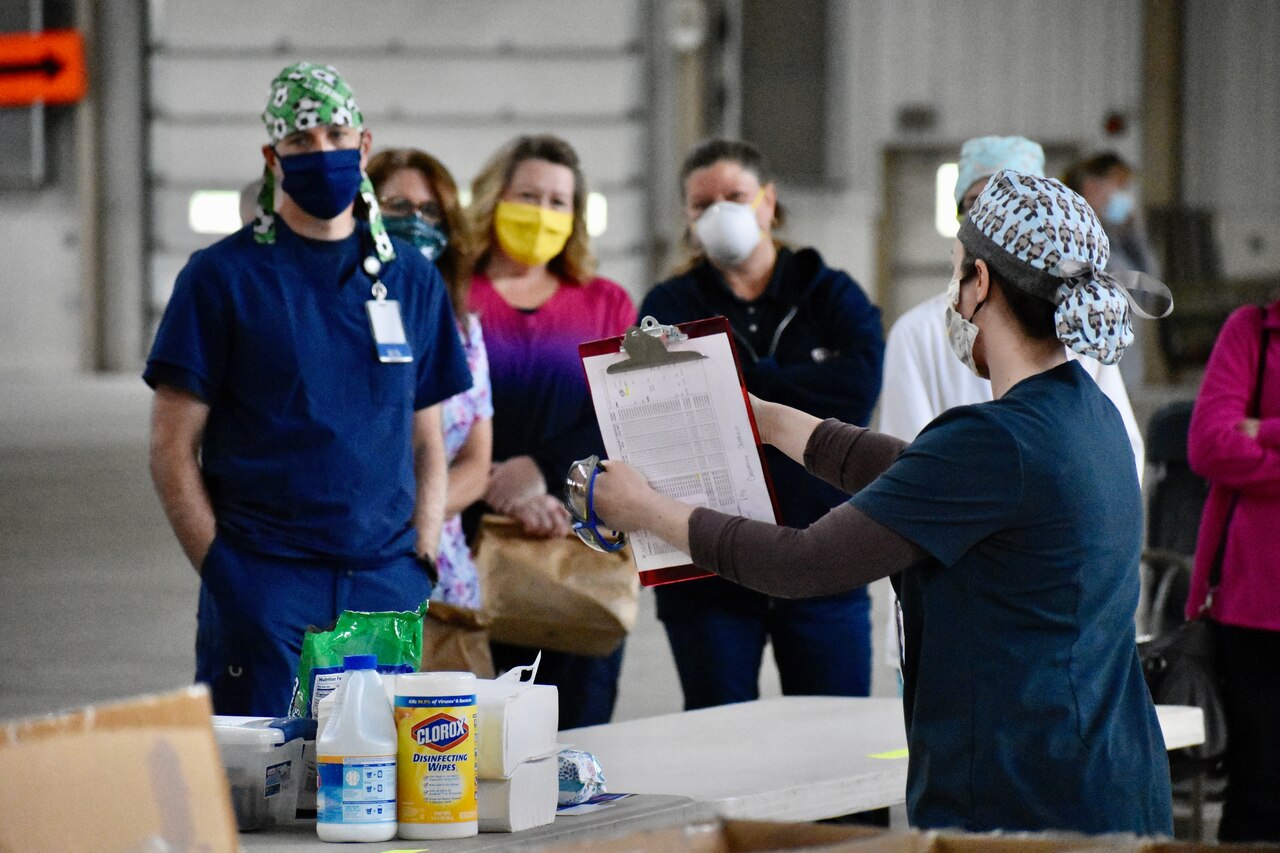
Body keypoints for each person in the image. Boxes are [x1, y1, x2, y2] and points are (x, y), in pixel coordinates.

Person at [592, 170, 1174, 834]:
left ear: (981, 284)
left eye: (957, 273)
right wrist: (758, 416)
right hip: (1106, 779)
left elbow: (801, 563)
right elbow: (913, 473)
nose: (951, 297)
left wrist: (644, 508)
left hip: (1026, 803)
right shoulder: (1082, 412)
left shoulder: (997, 442)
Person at [144, 62, 471, 717]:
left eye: (334, 134)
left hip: (384, 584)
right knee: (258, 798)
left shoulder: (411, 281)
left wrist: (423, 556)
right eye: (300, 142)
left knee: (372, 794)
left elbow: (428, 441)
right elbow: (171, 448)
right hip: (265, 581)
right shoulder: (221, 279)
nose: (321, 151)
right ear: (273, 157)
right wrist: (225, 571)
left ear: (364, 145)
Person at [878, 137, 1145, 686]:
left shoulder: (1074, 338)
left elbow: (1119, 464)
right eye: (979, 205)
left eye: (1014, 204)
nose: (992, 222)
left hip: (1052, 615)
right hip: (957, 606)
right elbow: (900, 469)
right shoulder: (918, 333)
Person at [638, 138, 883, 710]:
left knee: (837, 735)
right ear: (687, 220)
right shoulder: (667, 303)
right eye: (703, 205)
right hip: (707, 564)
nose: (719, 212)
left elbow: (857, 389)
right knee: (721, 742)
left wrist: (739, 387)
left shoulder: (831, 293)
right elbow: (657, 419)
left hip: (828, 550)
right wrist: (796, 385)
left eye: (736, 196)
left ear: (768, 203)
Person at [466, 134, 636, 728]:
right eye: (528, 195)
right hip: (464, 536)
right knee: (466, 742)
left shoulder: (606, 303)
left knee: (577, 739)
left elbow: (623, 416)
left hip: (574, 539)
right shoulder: (450, 294)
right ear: (493, 199)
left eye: (559, 202)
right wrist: (490, 484)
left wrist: (540, 472)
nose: (542, 213)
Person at [368, 147, 492, 611]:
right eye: (397, 206)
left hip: (441, 573)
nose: (415, 221)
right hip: (353, 558)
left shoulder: (464, 331)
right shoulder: (341, 317)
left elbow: (477, 465)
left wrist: (418, 527)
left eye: (429, 210)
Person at [1184, 299, 1280, 842]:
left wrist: (1263, 430)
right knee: (1255, 794)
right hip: (1252, 608)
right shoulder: (1252, 328)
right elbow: (1209, 445)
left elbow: (1237, 439)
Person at [1063, 152, 1160, 385]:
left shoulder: (1114, 240)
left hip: (1121, 370)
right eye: (1118, 186)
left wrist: (1132, 231)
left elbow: (1151, 288)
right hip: (1094, 373)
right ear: (1090, 187)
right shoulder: (1078, 242)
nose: (1125, 196)